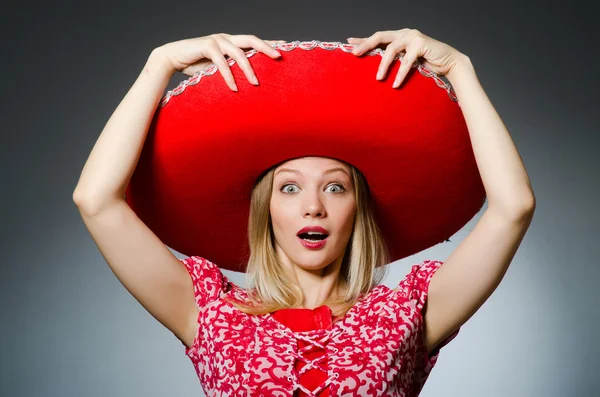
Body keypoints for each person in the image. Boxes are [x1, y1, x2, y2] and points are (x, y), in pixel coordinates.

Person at [73, 31, 536, 396]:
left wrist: (460, 70)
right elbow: (95, 201)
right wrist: (160, 64)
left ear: (359, 210)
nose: (313, 205)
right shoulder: (209, 311)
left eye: (335, 187)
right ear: (266, 209)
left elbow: (513, 207)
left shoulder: (408, 312)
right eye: (289, 188)